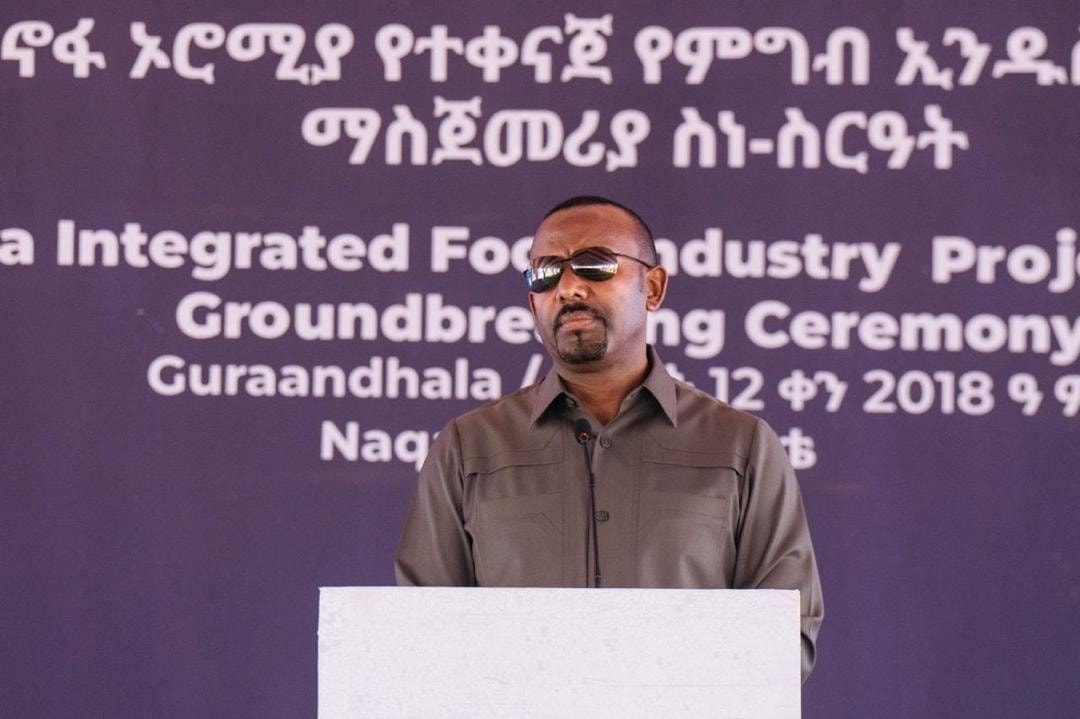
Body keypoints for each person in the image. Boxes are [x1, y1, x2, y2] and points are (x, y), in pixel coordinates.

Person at [395, 195, 824, 681]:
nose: (568, 288)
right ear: (532, 302)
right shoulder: (467, 448)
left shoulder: (741, 446)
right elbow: (423, 635)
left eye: (594, 264)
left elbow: (782, 638)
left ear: (653, 288)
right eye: (545, 273)